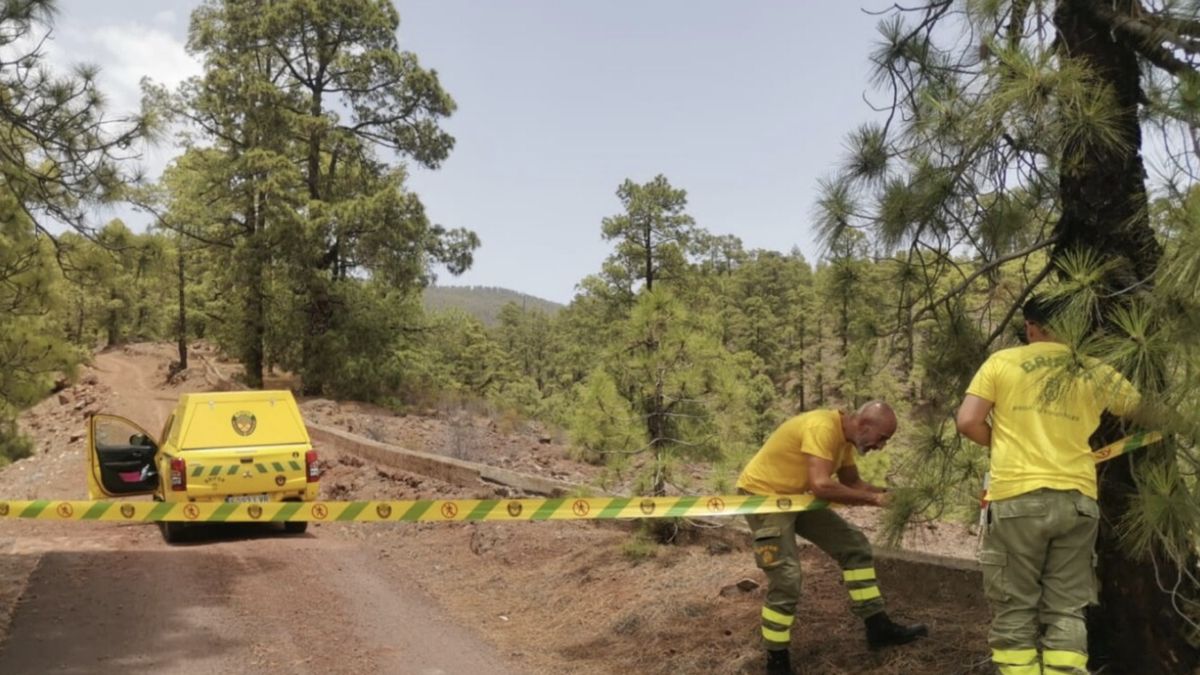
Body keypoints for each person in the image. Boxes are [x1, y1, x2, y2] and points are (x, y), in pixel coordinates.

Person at [956, 295, 1140, 675]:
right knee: (1067, 609)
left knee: (1015, 608)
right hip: (1077, 502)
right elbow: (1144, 409)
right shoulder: (1093, 369)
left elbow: (968, 421)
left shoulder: (1003, 362)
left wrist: (1006, 441)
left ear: (1030, 326)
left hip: (1017, 499)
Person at [738, 400, 928, 675]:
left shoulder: (844, 440)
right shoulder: (822, 427)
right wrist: (875, 499)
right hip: (763, 498)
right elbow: (821, 485)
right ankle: (776, 661)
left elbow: (852, 484)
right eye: (882, 438)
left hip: (794, 498)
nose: (881, 446)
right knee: (787, 578)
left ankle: (878, 627)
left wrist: (890, 494)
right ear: (864, 424)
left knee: (854, 546)